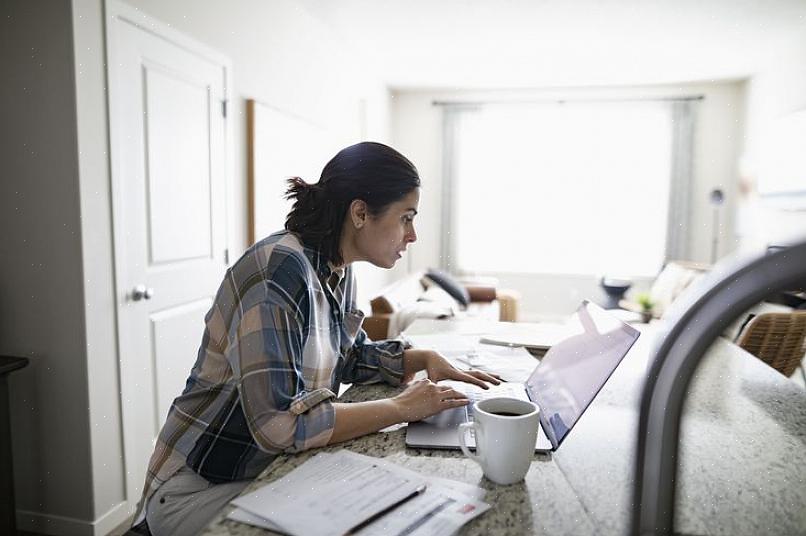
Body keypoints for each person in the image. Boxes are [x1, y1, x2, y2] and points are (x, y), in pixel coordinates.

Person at [130, 141, 500, 535]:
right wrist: (400, 408)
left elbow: (347, 357)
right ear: (360, 213)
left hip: (262, 469)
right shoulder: (278, 270)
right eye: (406, 218)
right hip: (198, 487)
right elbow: (278, 426)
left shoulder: (337, 267)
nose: (412, 235)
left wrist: (419, 357)